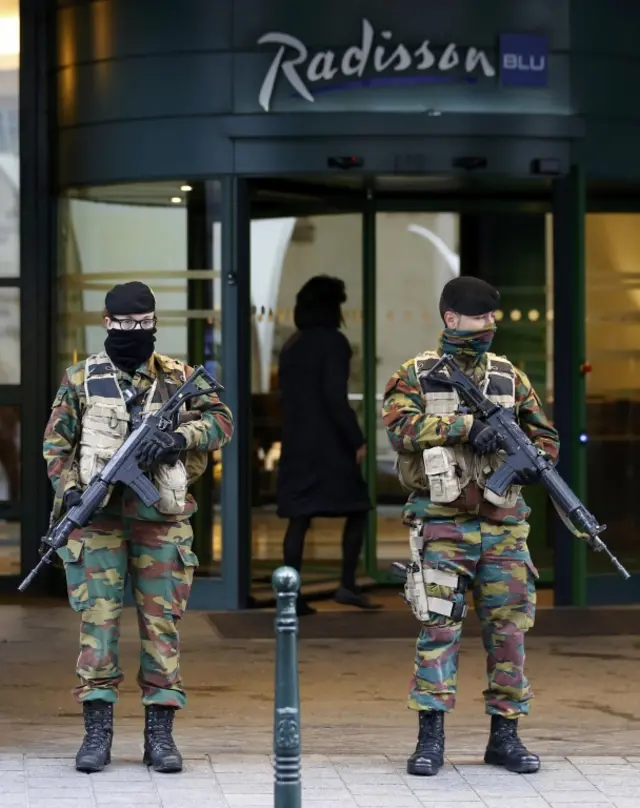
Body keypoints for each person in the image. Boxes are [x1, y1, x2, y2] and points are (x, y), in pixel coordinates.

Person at [42, 281, 234, 774]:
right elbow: (56, 446)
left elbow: (222, 420)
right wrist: (69, 492)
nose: (133, 333)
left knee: (161, 628)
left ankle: (160, 735)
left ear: (153, 323)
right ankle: (97, 732)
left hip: (160, 524)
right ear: (106, 323)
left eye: (143, 324)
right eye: (124, 325)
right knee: (97, 629)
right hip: (99, 524)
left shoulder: (178, 377)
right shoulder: (80, 378)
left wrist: (176, 437)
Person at [381, 276, 559, 777]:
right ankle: (430, 739)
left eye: (491, 319)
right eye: (479, 318)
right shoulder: (417, 373)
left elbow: (545, 438)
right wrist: (465, 426)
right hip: (443, 525)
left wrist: (531, 461)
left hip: (504, 528)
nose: (488, 327)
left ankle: (505, 737)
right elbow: (398, 426)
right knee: (439, 629)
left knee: (509, 634)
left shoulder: (509, 377)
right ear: (451, 318)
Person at [276, 275, 379, 616]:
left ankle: (291, 595)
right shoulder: (334, 343)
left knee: (299, 517)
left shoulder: (292, 345)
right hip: (329, 445)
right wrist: (357, 438)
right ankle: (347, 584)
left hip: (296, 441)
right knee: (358, 507)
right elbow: (335, 398)